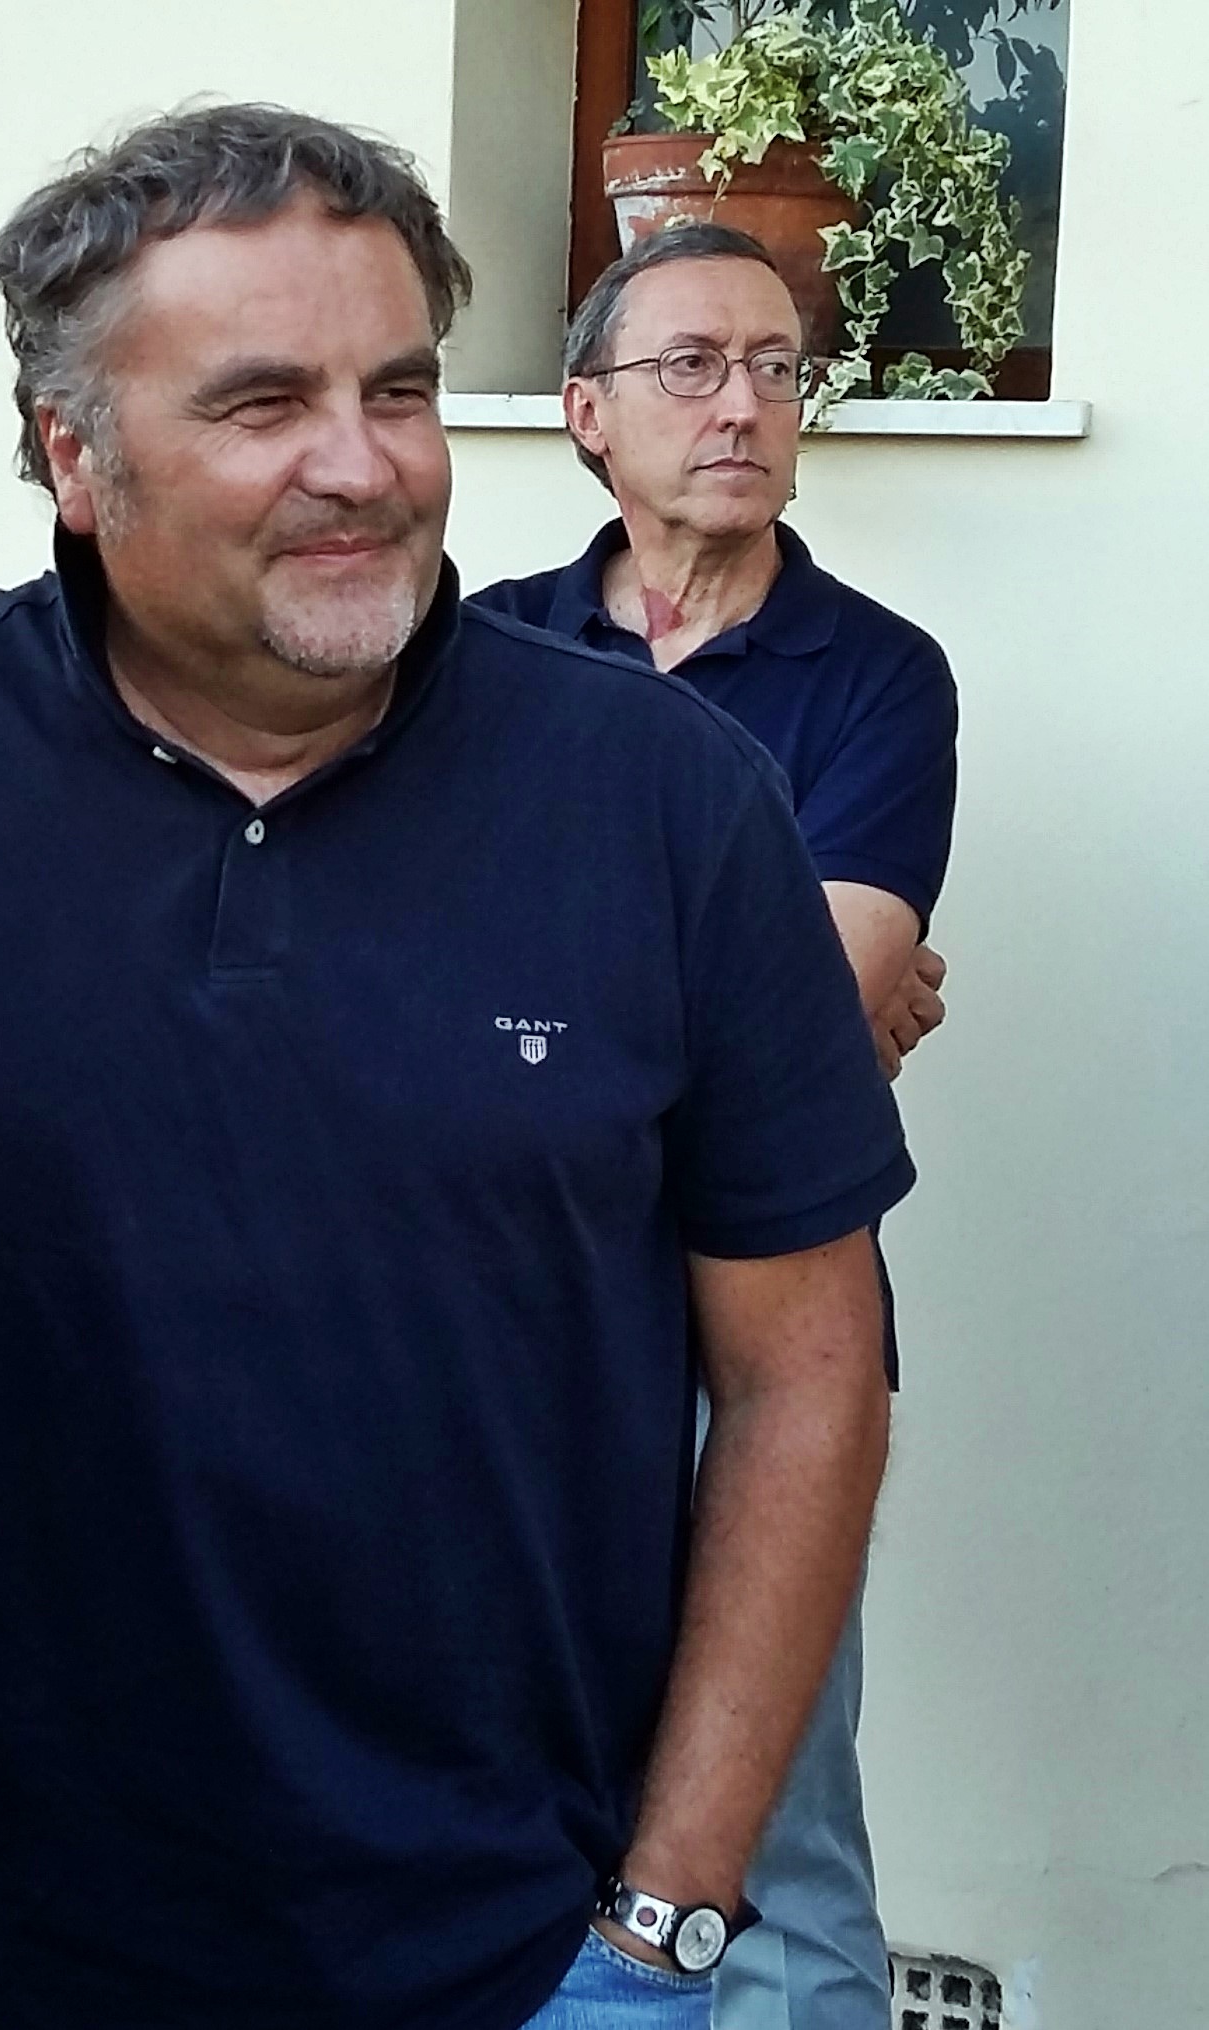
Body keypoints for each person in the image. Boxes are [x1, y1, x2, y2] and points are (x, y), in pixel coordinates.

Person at [0, 104, 908, 2028]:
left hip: (514, 1959)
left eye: (397, 389)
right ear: (73, 457)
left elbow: (806, 1373)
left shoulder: (664, 798)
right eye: (261, 402)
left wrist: (667, 1919)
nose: (359, 465)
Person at [473, 219, 962, 2030]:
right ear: (585, 413)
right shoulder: (471, 653)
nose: (741, 402)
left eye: (772, 365)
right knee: (489, 1799)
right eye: (689, 364)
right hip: (498, 1321)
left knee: (773, 1846)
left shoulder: (875, 675)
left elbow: (822, 1007)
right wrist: (732, 1001)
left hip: (758, 1345)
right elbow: (373, 986)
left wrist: (534, 1011)